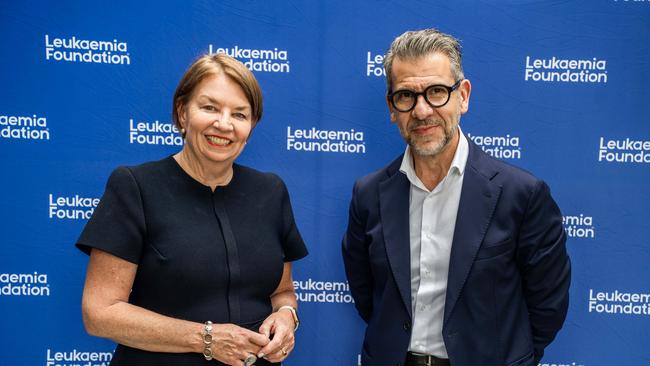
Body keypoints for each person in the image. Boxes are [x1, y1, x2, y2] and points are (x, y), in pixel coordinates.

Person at [342, 29, 571, 366]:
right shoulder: (369, 194)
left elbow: (548, 304)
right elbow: (367, 295)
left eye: (436, 92)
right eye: (406, 95)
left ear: (463, 96)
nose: (421, 111)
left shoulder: (521, 195)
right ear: (392, 108)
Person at [77, 53, 308, 366]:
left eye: (239, 114)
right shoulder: (135, 186)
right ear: (182, 112)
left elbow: (282, 291)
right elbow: (99, 313)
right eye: (210, 107)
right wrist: (207, 338)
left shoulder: (271, 192)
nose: (223, 124)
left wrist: (286, 316)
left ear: (251, 126)